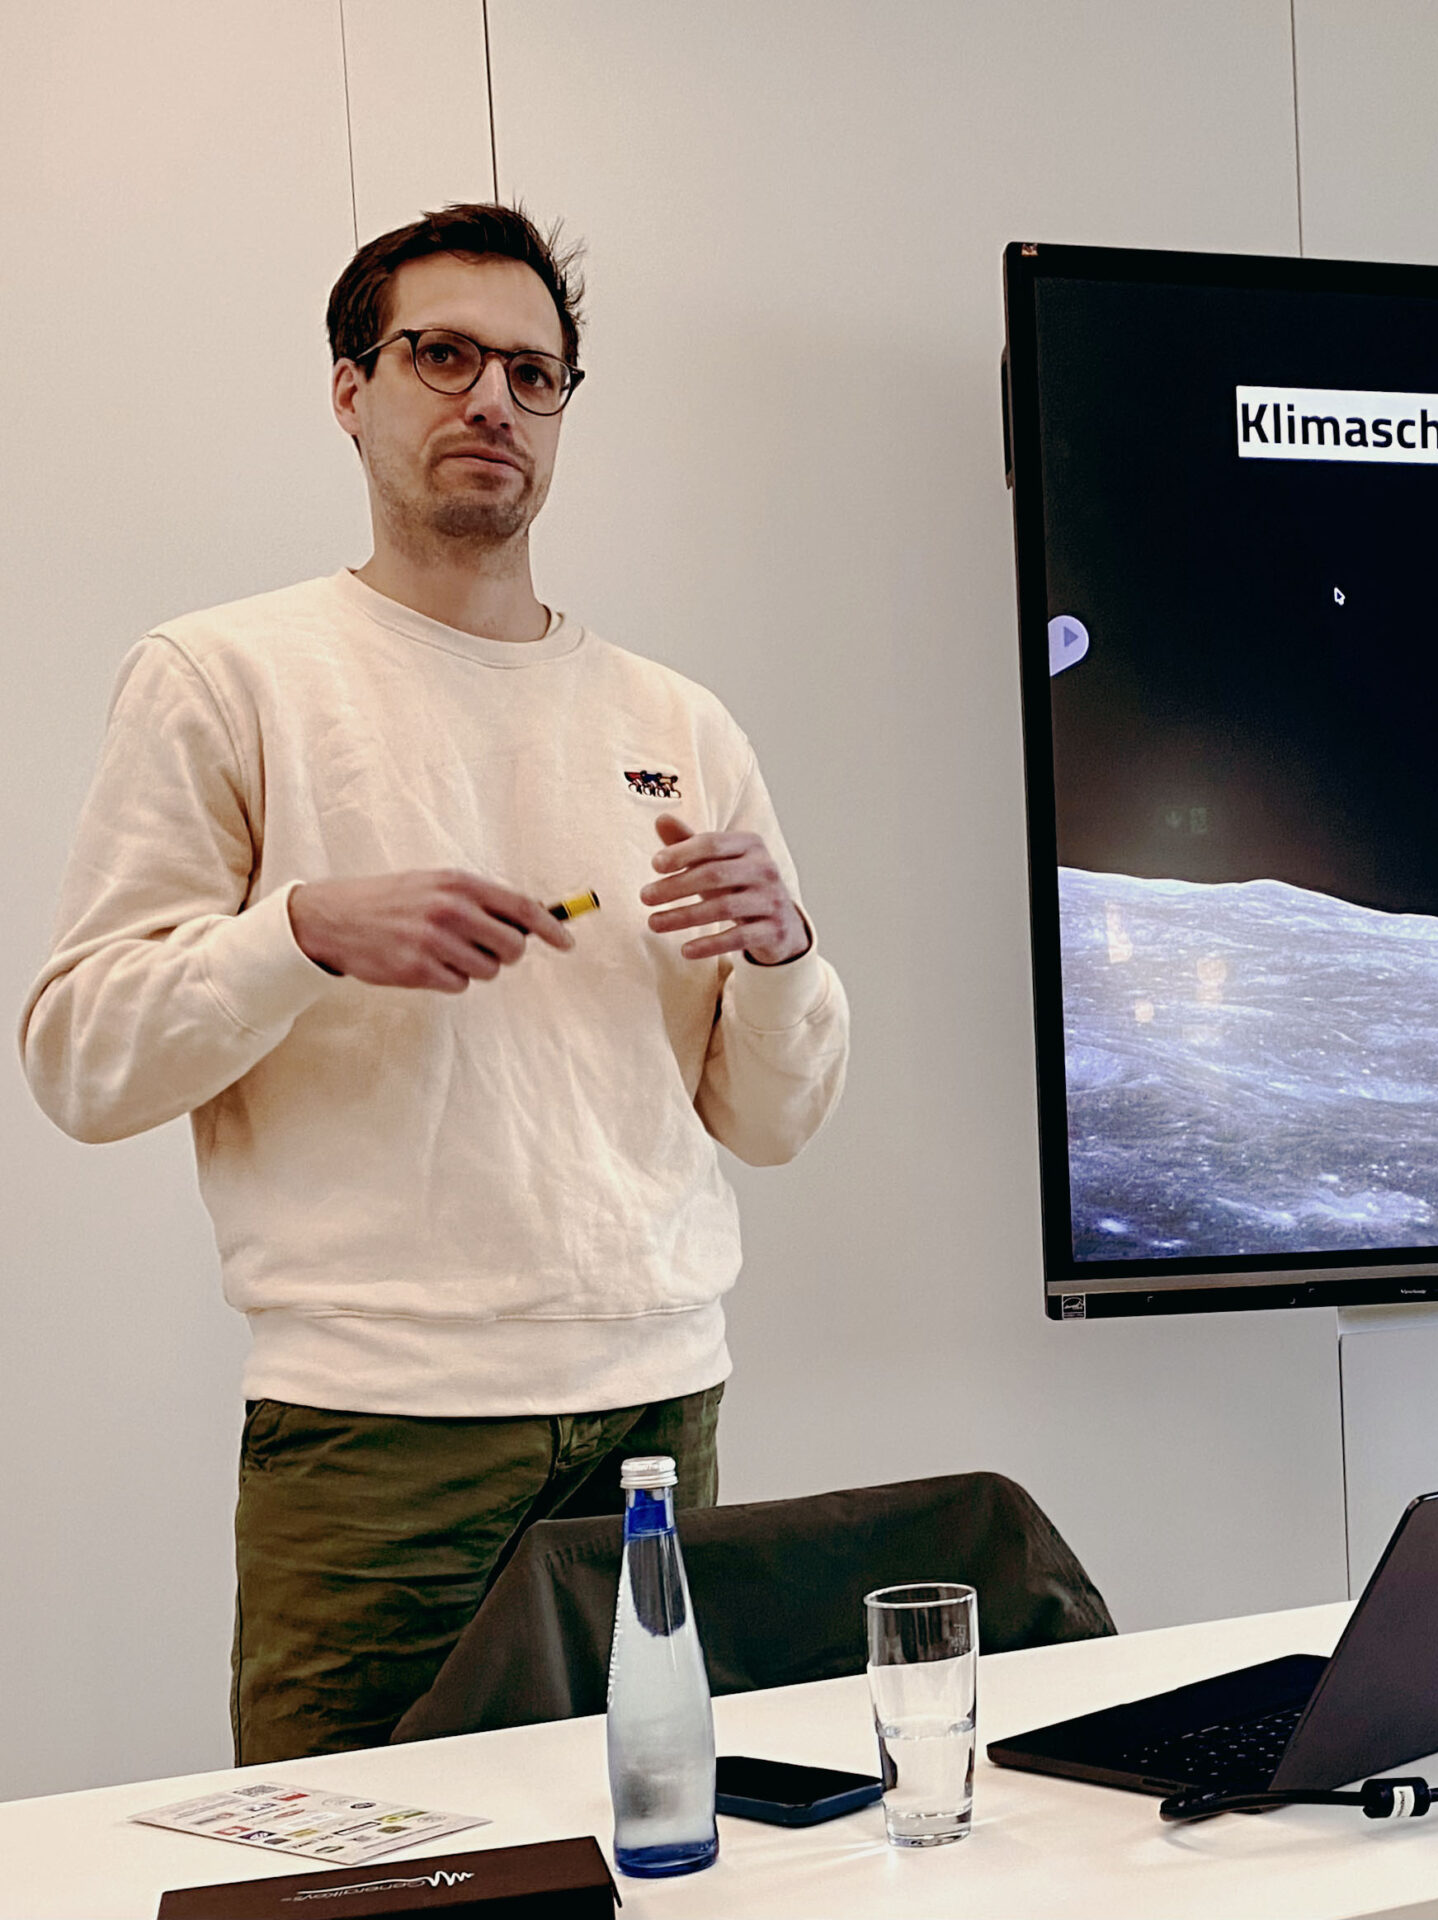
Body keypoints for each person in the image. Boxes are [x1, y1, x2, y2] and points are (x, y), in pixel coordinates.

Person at [18, 204, 849, 1762]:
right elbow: (78, 1059)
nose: (491, 402)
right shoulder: (228, 676)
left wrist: (787, 954)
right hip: (378, 1439)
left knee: (657, 1851)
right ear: (351, 389)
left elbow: (774, 1117)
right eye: (443, 355)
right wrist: (303, 931)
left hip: (662, 1414)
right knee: (350, 1872)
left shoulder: (680, 716)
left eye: (535, 374)